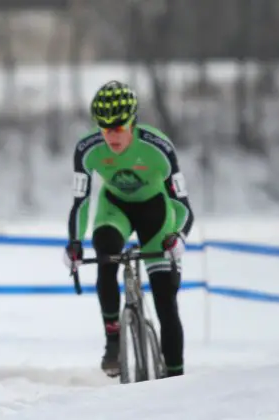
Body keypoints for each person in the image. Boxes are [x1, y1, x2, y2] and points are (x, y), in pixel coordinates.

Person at [64, 80, 195, 378]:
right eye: (104, 127)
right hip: (116, 209)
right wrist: (73, 242)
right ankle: (113, 341)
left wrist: (179, 237)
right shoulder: (87, 150)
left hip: (156, 212)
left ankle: (176, 378)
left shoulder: (158, 147)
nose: (111, 134)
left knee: (165, 299)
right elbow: (80, 203)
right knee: (104, 248)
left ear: (132, 122)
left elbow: (182, 204)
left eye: (119, 127)